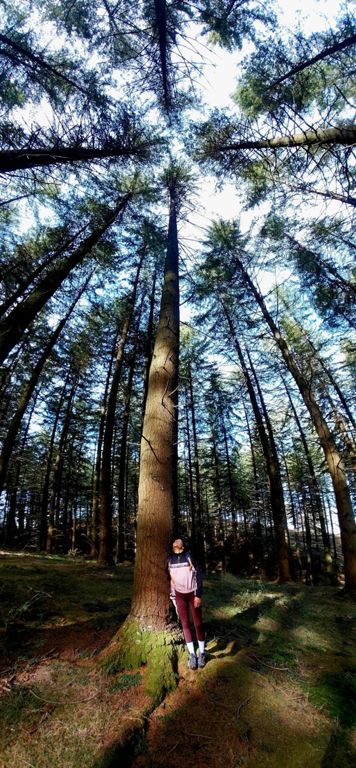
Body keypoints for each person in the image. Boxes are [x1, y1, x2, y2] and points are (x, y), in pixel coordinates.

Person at [168, 538, 205, 669]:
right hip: (179, 595)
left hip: (192, 593)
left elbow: (199, 574)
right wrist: (173, 595)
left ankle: (202, 653)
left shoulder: (189, 555)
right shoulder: (170, 559)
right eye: (174, 541)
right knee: (185, 624)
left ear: (182, 546)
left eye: (178, 541)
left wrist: (198, 595)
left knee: (198, 624)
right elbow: (170, 578)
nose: (176, 542)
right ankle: (192, 654)